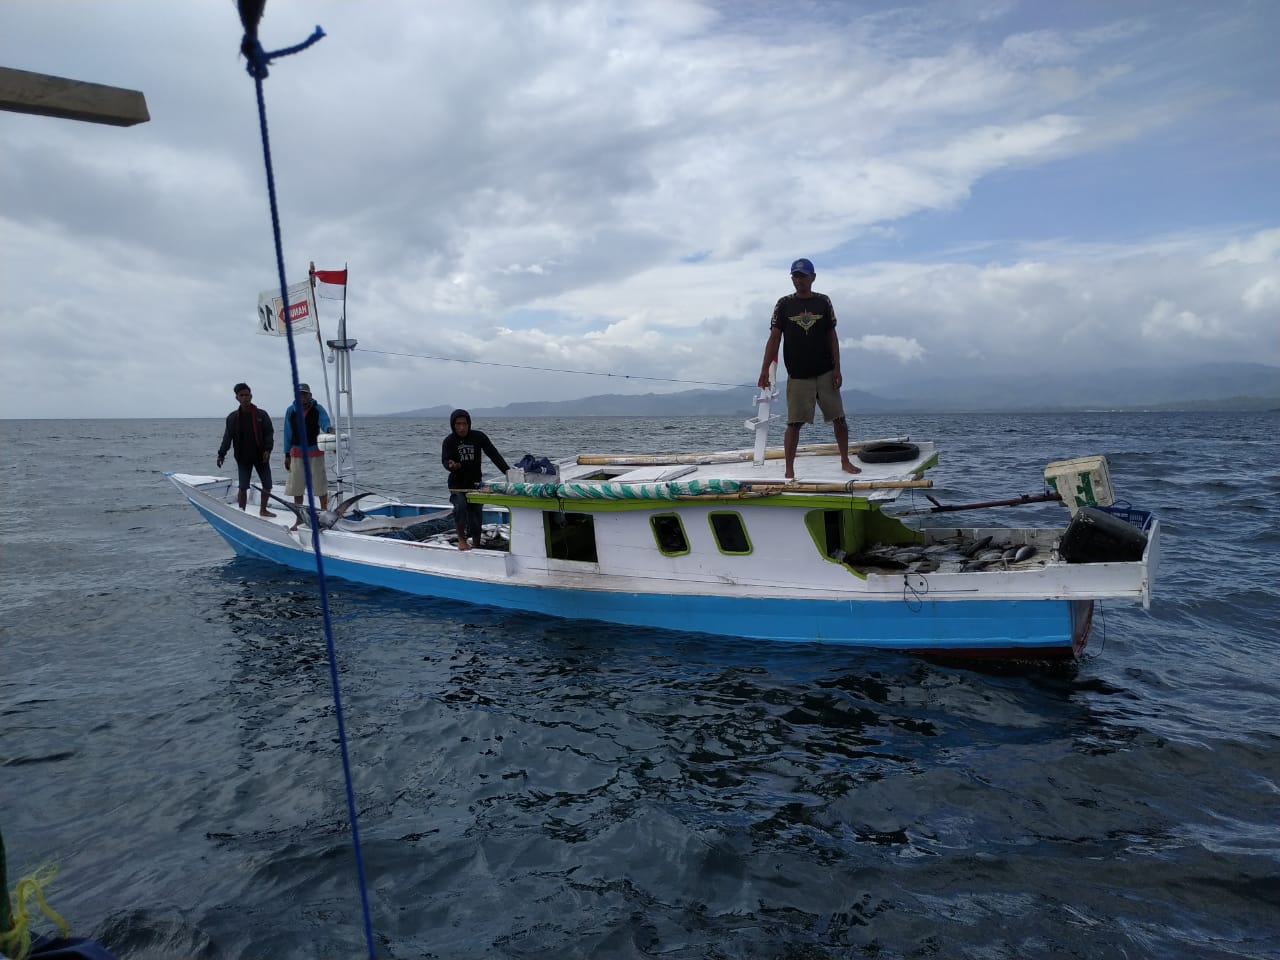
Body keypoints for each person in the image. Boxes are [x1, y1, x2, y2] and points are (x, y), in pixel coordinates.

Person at [757, 257, 861, 480]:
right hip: (798, 375)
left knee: (839, 418)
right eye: (795, 276)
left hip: (825, 371)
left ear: (813, 277)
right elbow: (774, 338)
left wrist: (837, 368)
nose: (799, 280)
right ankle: (789, 470)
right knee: (793, 424)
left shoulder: (823, 302)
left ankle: (845, 460)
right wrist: (764, 369)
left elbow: (831, 336)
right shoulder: (783, 304)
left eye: (803, 276)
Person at [442, 408, 510, 550]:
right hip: (457, 485)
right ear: (453, 425)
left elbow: (494, 455)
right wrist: (451, 465)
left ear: (469, 423)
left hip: (475, 483)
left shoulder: (479, 437)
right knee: (460, 506)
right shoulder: (449, 441)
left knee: (476, 512)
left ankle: (477, 542)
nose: (461, 427)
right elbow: (445, 461)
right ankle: (462, 540)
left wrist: (508, 472)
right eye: (458, 424)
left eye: (464, 424)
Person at [216, 382, 277, 516]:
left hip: (261, 457)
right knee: (243, 486)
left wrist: (268, 449)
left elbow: (269, 433)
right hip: (243, 457)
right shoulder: (233, 418)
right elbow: (227, 438)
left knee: (267, 484)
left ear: (251, 396)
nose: (245, 398)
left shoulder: (262, 414)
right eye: (241, 395)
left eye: (247, 395)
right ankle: (242, 512)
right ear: (237, 398)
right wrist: (221, 454)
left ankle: (263, 510)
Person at [283, 383, 333, 521]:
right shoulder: (290, 410)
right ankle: (299, 519)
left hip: (315, 452)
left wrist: (329, 430)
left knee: (320, 485)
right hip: (296, 453)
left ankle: (325, 515)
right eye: (299, 394)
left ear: (310, 395)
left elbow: (325, 422)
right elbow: (287, 433)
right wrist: (286, 454)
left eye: (304, 394)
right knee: (297, 487)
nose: (302, 397)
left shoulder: (318, 408)